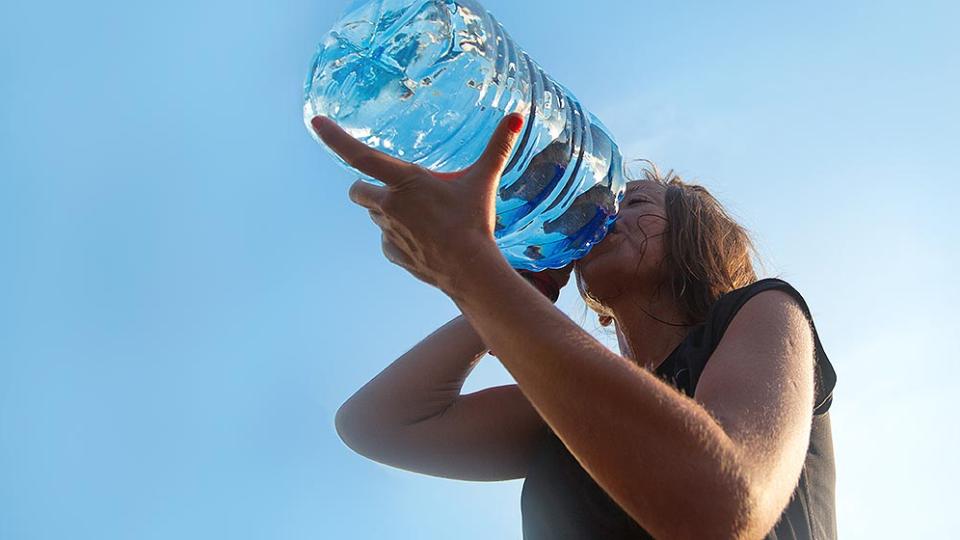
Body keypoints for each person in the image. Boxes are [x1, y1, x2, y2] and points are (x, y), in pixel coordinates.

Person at [316, 113, 837, 539]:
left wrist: (468, 264)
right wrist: (507, 287)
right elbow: (375, 424)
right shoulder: (571, 403)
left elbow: (722, 511)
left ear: (694, 235)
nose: (605, 215)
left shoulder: (764, 308)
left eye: (633, 203)